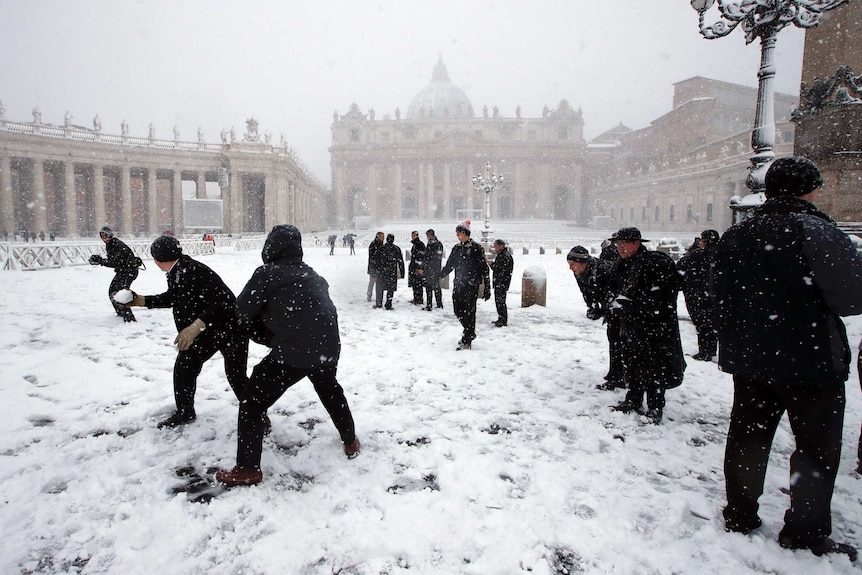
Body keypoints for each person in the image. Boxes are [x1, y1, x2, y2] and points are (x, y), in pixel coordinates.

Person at [712, 156, 862, 560]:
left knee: (747, 438)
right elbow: (851, 298)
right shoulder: (819, 231)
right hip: (811, 363)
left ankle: (740, 513)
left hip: (751, 361)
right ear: (807, 189)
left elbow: (716, 299)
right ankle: (805, 530)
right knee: (815, 450)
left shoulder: (738, 234)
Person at [216, 225, 359, 486]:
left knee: (252, 401)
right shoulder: (312, 274)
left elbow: (243, 309)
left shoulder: (267, 274)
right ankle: (350, 439)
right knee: (329, 389)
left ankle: (248, 468)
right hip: (327, 347)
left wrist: (259, 333)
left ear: (270, 247)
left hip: (294, 349)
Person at [123, 235, 250, 429]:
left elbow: (225, 301)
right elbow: (175, 297)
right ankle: (185, 412)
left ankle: (256, 415)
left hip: (229, 328)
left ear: (157, 261)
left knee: (234, 375)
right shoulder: (180, 269)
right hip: (213, 330)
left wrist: (196, 325)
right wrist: (142, 301)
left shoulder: (191, 270)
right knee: (186, 369)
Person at [607, 227, 685, 423]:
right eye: (618, 243)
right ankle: (633, 400)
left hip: (654, 328)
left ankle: (655, 407)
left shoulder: (654, 263)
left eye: (624, 243)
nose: (620, 247)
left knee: (654, 368)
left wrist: (630, 306)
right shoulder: (623, 264)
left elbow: (661, 299)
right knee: (632, 363)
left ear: (637, 243)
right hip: (633, 326)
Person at [567, 245, 622, 390]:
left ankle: (621, 377)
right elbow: (585, 291)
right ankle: (616, 375)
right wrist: (592, 306)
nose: (570, 268)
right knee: (614, 341)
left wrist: (606, 308)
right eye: (569, 264)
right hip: (609, 310)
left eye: (573, 264)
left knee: (621, 343)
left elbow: (614, 292)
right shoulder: (579, 272)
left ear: (583, 262)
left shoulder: (604, 270)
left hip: (621, 310)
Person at [436, 220, 490, 350]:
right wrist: (438, 275)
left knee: (470, 312)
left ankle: (467, 339)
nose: (456, 235)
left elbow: (484, 268)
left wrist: (487, 286)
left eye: (458, 232)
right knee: (458, 310)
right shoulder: (457, 248)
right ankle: (469, 332)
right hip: (459, 285)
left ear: (465, 232)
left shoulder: (477, 248)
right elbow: (450, 265)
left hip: (471, 285)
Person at [675, 229, 720, 361]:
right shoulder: (721, 254)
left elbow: (680, 266)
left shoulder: (696, 255)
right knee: (712, 324)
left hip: (697, 294)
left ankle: (705, 351)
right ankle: (711, 349)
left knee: (702, 324)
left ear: (703, 241)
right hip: (715, 295)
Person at [88, 226, 140, 323]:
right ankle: (121, 312)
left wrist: (100, 261)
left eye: (106, 236)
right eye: (102, 236)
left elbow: (115, 262)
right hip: (124, 271)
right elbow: (114, 261)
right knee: (113, 291)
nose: (104, 238)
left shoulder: (116, 245)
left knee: (119, 293)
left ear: (110, 235)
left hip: (129, 271)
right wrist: (101, 261)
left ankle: (129, 318)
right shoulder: (111, 244)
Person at [373, 233, 404, 310]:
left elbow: (376, 260)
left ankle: (379, 303)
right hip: (391, 272)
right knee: (390, 289)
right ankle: (388, 304)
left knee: (380, 288)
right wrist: (402, 272)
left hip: (382, 271)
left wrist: (376, 270)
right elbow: (400, 262)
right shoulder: (396, 249)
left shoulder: (381, 248)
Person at [489, 239, 513, 327]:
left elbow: (499, 269)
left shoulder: (504, 256)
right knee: (499, 301)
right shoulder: (502, 255)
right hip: (500, 282)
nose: (494, 247)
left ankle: (503, 319)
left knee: (501, 301)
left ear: (501, 246)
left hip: (502, 282)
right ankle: (501, 318)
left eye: (495, 245)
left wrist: (492, 264)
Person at [423, 229, 444, 311]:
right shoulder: (432, 243)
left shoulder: (435, 244)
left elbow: (436, 256)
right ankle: (434, 303)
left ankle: (434, 304)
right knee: (432, 286)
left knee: (434, 287)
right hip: (432, 268)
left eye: (427, 235)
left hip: (433, 269)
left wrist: (427, 256)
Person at [408, 231, 426, 305]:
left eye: (413, 235)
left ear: (417, 236)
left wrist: (420, 267)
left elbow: (422, 256)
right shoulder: (415, 244)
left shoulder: (420, 244)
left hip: (417, 267)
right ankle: (416, 298)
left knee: (418, 284)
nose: (412, 237)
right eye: (412, 235)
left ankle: (419, 299)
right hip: (414, 266)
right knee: (415, 284)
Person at [367, 231, 384, 302]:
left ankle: (374, 295)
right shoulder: (374, 244)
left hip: (376, 266)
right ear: (378, 236)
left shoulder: (380, 244)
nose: (384, 238)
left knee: (375, 282)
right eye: (382, 236)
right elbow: (372, 256)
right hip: (374, 267)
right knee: (372, 281)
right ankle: (369, 295)